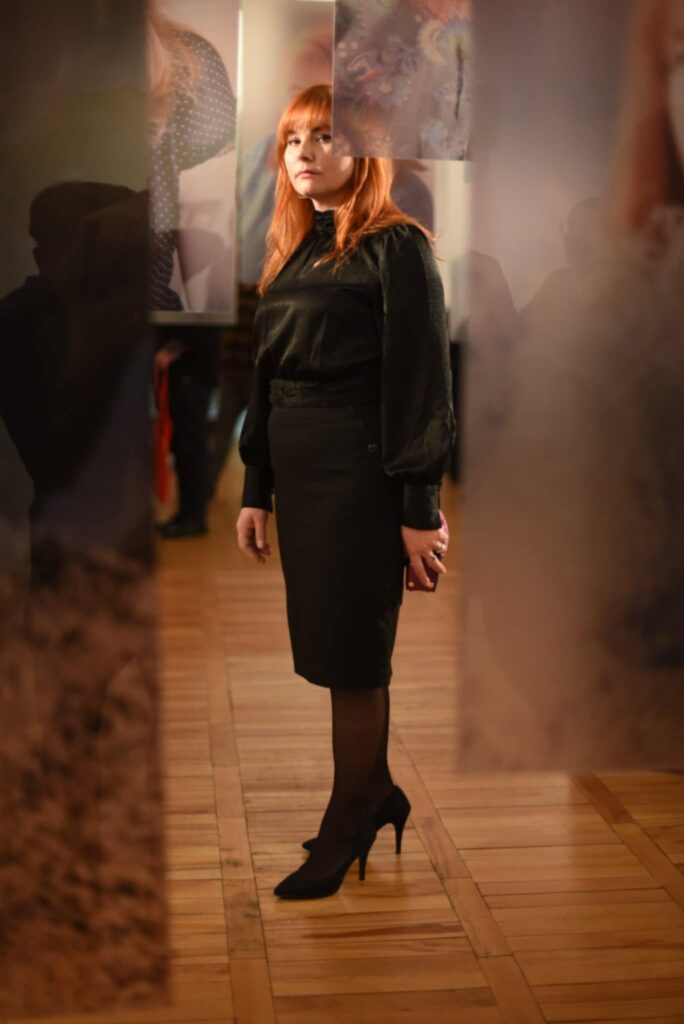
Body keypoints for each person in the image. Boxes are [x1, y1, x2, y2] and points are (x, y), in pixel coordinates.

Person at [236, 84, 455, 900]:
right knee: (333, 643)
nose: (305, 152)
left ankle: (348, 816)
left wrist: (418, 508)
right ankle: (377, 792)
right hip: (300, 470)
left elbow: (422, 382)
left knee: (354, 654)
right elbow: (263, 380)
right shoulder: (294, 249)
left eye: (326, 136)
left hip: (359, 471)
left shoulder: (398, 246)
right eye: (294, 138)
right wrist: (255, 485)